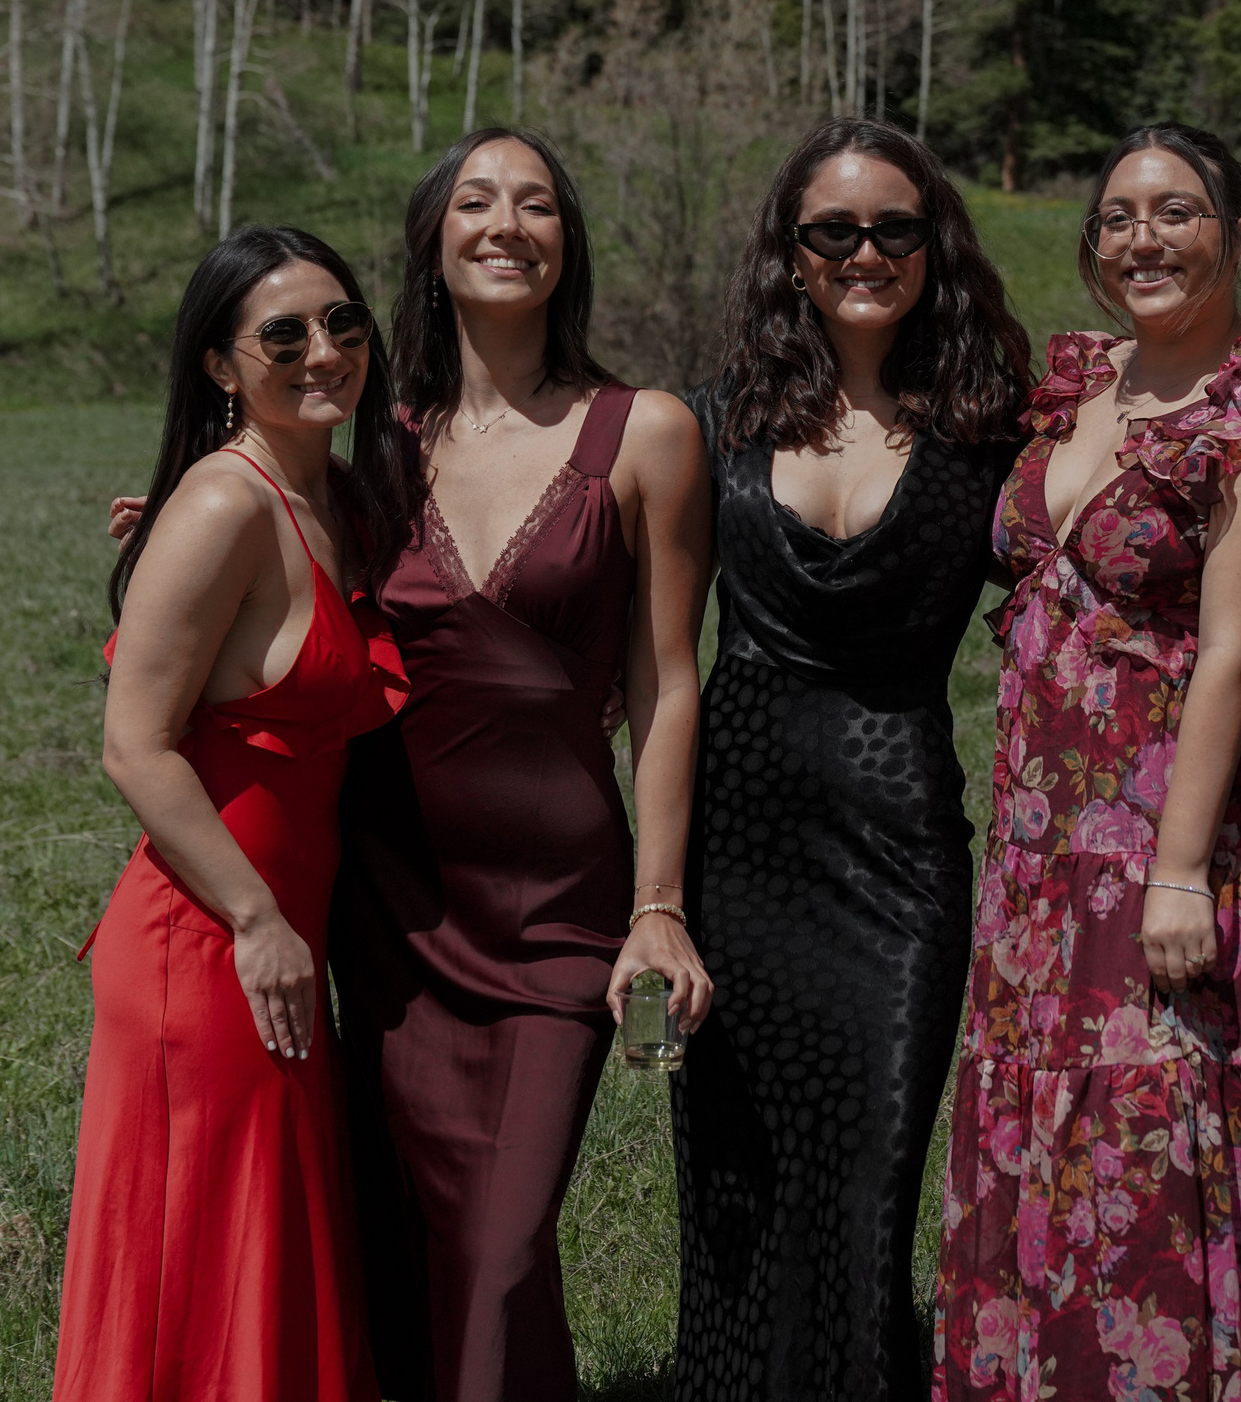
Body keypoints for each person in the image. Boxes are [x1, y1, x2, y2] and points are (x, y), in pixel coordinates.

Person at [934, 123, 1241, 1402]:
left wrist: (1176, 874)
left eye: (1175, 213)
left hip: (1173, 839)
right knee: (1046, 1129)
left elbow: (1231, 657)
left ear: (1234, 232)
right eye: (1118, 215)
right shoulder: (1081, 387)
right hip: (1038, 842)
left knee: (1152, 1137)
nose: (1142, 239)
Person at [329, 129, 713, 1402]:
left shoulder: (646, 429)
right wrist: (170, 527)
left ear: (567, 244)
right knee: (418, 1241)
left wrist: (657, 908)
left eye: (537, 203)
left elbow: (664, 681)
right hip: (392, 907)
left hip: (560, 907)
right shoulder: (370, 446)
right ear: (433, 246)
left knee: (498, 1245)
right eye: (477, 201)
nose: (507, 223)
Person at [674, 119, 1032, 1402]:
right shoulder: (709, 423)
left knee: (870, 1174)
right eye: (835, 230)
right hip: (740, 838)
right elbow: (528, 511)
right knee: (741, 1175)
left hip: (898, 852)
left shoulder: (993, 431)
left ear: (934, 248)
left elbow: (1136, 528)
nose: (866, 251)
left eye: (895, 227)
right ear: (793, 253)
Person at [56, 225, 411, 1402]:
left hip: (278, 938)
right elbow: (134, 745)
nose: (326, 350)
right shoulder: (228, 504)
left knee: (264, 1253)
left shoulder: (333, 496)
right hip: (212, 941)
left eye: (344, 323)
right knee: (204, 1271)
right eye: (285, 334)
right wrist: (258, 921)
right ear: (220, 365)